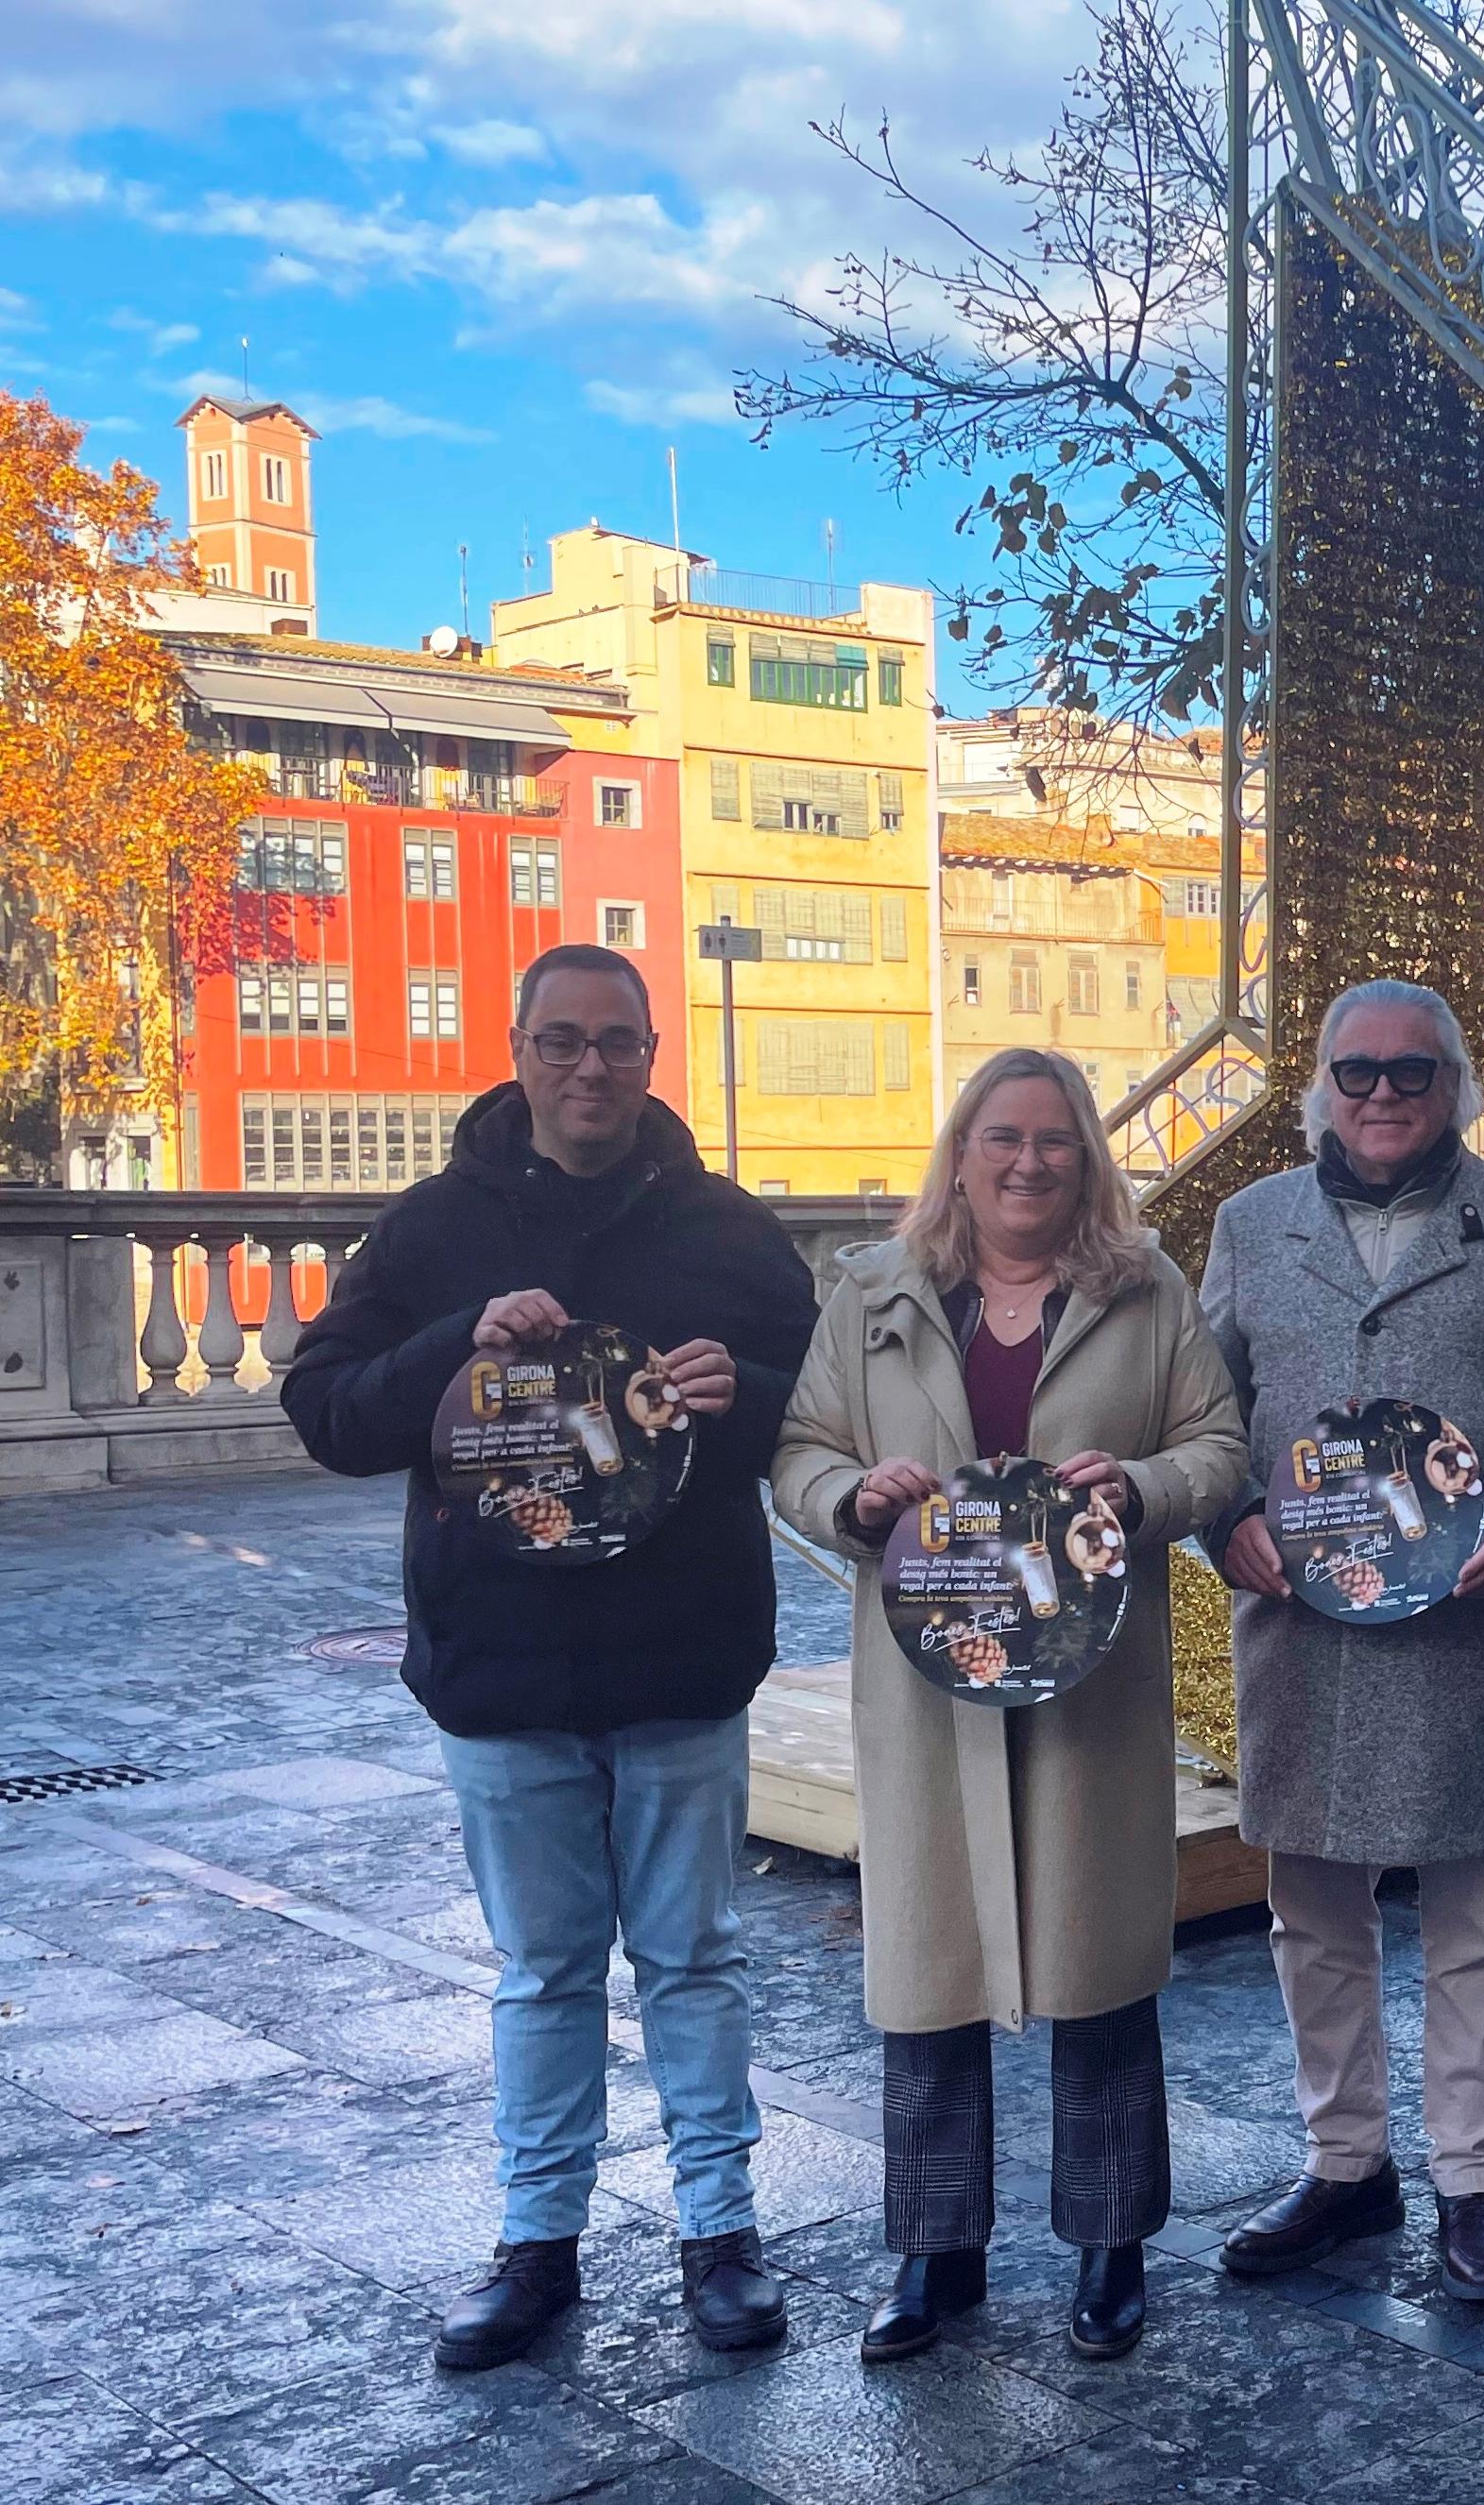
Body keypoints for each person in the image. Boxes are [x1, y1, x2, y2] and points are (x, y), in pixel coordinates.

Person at [281, 943, 821, 2372]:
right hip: (502, 1663)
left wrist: (746, 1392)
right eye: (563, 1040)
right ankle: (538, 2245)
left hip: (682, 1655)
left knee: (695, 1960)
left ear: (651, 1055)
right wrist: (454, 1349)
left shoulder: (725, 1228)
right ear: (519, 1051)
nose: (592, 1067)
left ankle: (721, 2236)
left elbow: (840, 1416)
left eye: (618, 1042)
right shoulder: (433, 1228)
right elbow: (326, 1413)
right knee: (542, 1971)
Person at [771, 1048, 1247, 2367]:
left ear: (1086, 1158)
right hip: (930, 1678)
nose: (1029, 1161)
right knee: (930, 1963)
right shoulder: (874, 1292)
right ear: (962, 1153)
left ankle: (1111, 2242)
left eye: (1054, 1139)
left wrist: (1141, 1488)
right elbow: (802, 1451)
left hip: (1091, 1676)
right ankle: (937, 2252)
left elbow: (1219, 1447)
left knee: (1100, 1962)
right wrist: (852, 1499)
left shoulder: (1145, 1289)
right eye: (1003, 1137)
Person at [1201, 980, 1484, 2305]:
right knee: (1310, 1909)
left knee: (1474, 1911)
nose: (1380, 1095)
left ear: (1456, 1087)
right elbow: (1204, 1414)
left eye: (1410, 1073)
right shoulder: (1250, 1225)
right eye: (1354, 1071)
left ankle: (1474, 2183)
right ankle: (1345, 2164)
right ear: (1320, 1083)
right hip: (1298, 1623)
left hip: (1464, 1623)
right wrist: (1227, 1519)